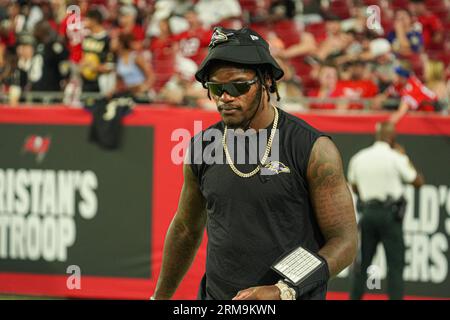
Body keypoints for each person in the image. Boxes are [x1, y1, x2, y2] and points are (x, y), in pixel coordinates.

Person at [151, 27, 358, 300]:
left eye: (238, 86)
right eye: (216, 88)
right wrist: (159, 298)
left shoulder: (313, 149)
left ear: (267, 81)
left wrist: (283, 290)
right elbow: (185, 229)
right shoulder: (203, 146)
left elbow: (344, 242)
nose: (225, 97)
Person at [348, 121, 425, 300]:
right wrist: (404, 157)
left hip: (368, 214)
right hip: (390, 216)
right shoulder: (395, 157)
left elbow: (355, 187)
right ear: (392, 138)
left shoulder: (360, 157)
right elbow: (418, 182)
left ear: (377, 136)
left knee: (363, 264)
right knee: (395, 266)